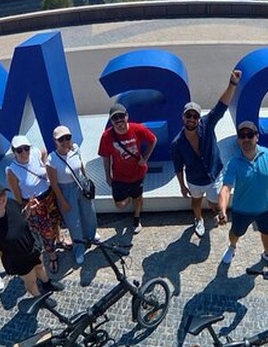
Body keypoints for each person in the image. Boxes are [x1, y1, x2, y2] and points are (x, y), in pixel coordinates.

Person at [216, 121, 268, 272]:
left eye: (250, 135)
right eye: (242, 136)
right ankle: (232, 247)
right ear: (239, 139)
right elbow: (226, 188)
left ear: (257, 137)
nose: (246, 139)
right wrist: (223, 210)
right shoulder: (234, 162)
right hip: (242, 210)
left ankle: (267, 254)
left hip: (267, 208)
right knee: (235, 233)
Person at [171, 69, 242, 236]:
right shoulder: (177, 143)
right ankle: (198, 219)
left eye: (195, 116)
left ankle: (217, 214)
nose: (192, 119)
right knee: (196, 201)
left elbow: (221, 106)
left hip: (214, 175)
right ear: (183, 117)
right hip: (194, 180)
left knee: (214, 202)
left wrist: (232, 84)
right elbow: (178, 167)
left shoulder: (208, 124)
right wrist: (182, 186)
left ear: (199, 118)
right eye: (188, 115)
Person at [0, 181, 57, 297]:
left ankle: (47, 283)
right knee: (31, 281)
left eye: (3, 193)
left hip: (32, 246)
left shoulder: (11, 204)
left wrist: (29, 209)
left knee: (40, 267)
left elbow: (23, 217)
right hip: (17, 259)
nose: (1, 198)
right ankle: (40, 298)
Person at [5, 135, 69, 274]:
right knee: (45, 231)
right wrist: (25, 207)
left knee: (55, 220)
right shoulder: (12, 170)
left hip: (48, 195)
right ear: (14, 152)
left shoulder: (35, 153)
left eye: (26, 148)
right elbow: (16, 194)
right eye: (19, 150)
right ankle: (52, 255)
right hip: (33, 203)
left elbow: (44, 151)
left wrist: (44, 163)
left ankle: (58, 239)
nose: (24, 153)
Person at [98, 103, 157, 234]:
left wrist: (145, 158)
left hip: (137, 172)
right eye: (115, 118)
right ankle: (129, 197)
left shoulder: (138, 129)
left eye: (121, 117)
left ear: (127, 116)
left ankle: (137, 218)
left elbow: (153, 140)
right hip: (119, 176)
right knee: (120, 205)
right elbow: (106, 157)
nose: (119, 121)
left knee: (138, 196)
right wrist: (108, 176)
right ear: (111, 121)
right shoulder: (107, 136)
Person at [46, 125, 100, 265]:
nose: (65, 141)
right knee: (73, 222)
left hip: (80, 185)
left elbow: (81, 166)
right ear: (55, 141)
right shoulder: (52, 159)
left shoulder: (75, 149)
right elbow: (54, 183)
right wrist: (63, 201)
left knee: (89, 213)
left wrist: (87, 182)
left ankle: (91, 235)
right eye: (61, 139)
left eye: (67, 137)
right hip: (65, 190)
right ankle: (79, 248)